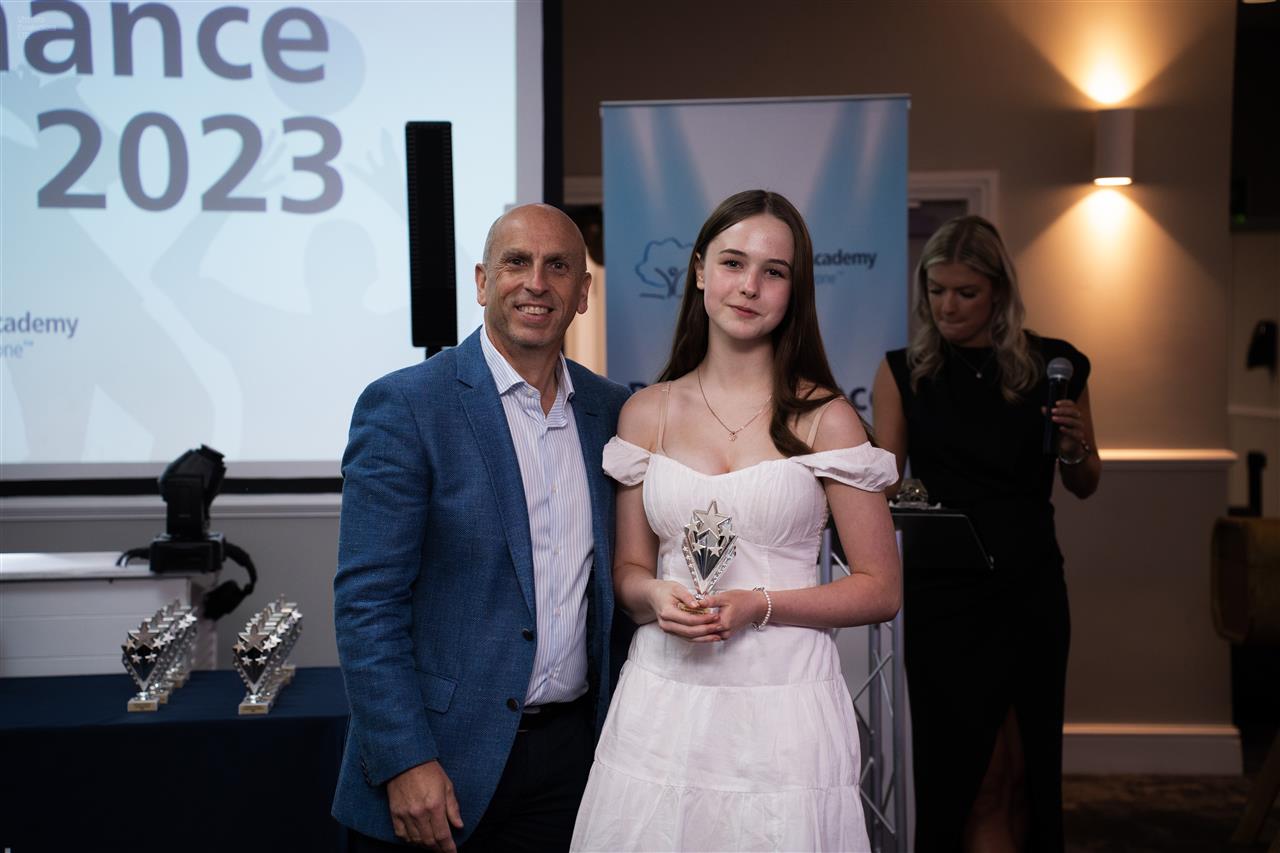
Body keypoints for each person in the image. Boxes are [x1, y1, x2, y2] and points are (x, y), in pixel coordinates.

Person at [570, 189, 902, 852]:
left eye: (773, 271)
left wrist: (760, 604)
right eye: (732, 262)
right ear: (699, 271)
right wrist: (655, 594)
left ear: (794, 291)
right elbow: (628, 570)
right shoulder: (646, 413)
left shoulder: (826, 418)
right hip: (665, 699)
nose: (749, 286)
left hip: (784, 705)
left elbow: (880, 589)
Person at [332, 204, 631, 852]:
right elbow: (367, 605)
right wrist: (405, 759)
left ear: (583, 293)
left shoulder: (611, 411)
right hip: (438, 761)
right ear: (481, 281)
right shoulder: (407, 405)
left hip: (572, 764)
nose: (536, 283)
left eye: (558, 267)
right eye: (516, 262)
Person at [872, 215, 1101, 852]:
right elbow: (886, 484)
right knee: (968, 778)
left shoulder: (1056, 367)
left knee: (1026, 775)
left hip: (1030, 589)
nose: (947, 306)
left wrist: (1076, 449)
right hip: (944, 597)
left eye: (965, 292)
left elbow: (1086, 482)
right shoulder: (903, 371)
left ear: (999, 292)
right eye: (936, 290)